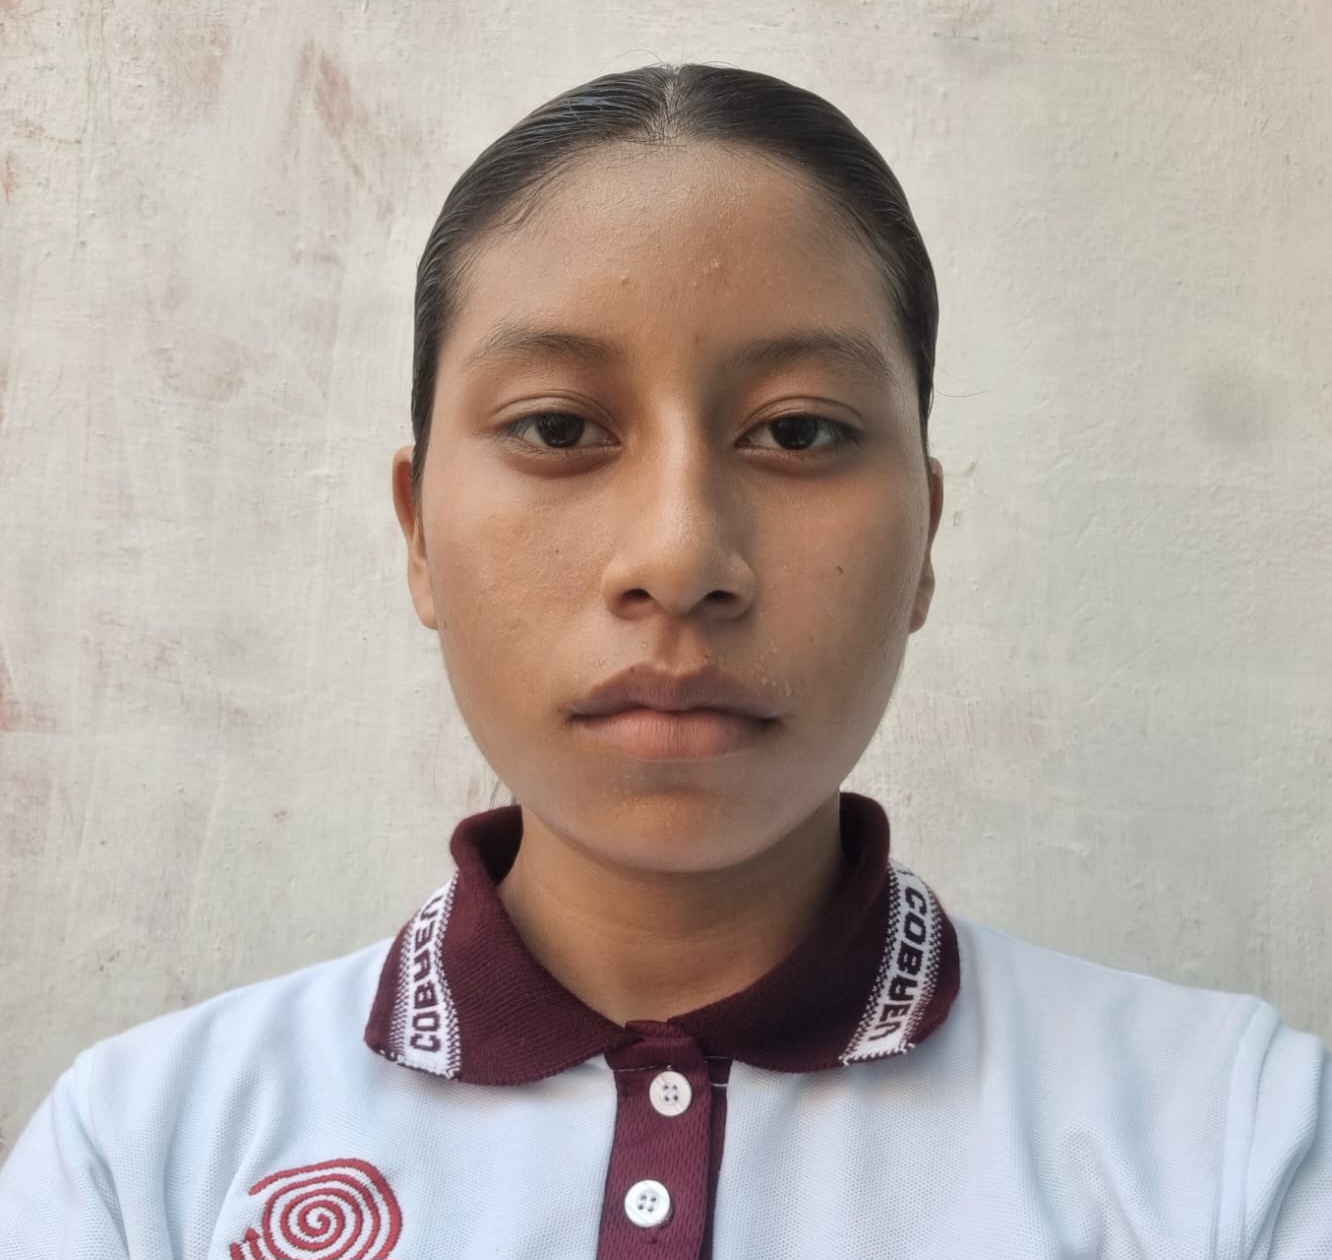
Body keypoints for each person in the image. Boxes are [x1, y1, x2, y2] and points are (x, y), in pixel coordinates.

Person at [0, 62, 1326, 1259]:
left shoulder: (1232, 1139)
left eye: (797, 433)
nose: (680, 554)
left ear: (925, 533)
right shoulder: (146, 1158)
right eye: (558, 426)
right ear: (417, 534)